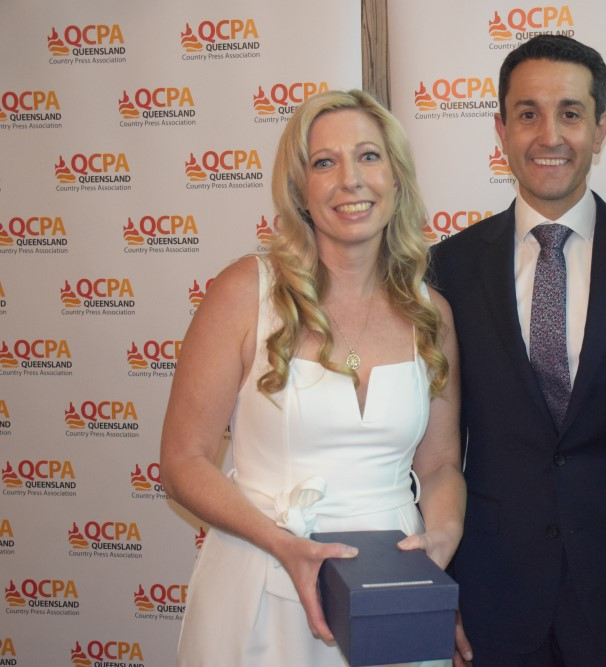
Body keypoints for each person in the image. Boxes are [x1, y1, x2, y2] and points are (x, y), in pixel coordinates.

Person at [431, 35, 606, 667]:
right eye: (528, 113)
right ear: (501, 129)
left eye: (570, 112)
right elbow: (429, 451)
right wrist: (436, 591)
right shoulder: (445, 270)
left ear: (602, 126)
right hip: (492, 601)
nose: (549, 135)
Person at [160, 89, 465, 666]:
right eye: (325, 162)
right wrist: (283, 544)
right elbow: (182, 461)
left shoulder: (433, 313)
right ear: (300, 189)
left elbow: (441, 464)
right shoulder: (243, 292)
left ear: (396, 178)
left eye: (369, 157)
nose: (350, 179)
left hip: (389, 593)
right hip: (261, 582)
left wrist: (442, 540)